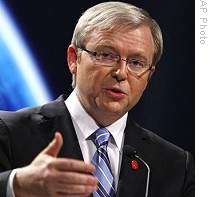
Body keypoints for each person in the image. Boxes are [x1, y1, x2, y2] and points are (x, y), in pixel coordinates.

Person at [0, 1, 194, 197]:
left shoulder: (176, 167)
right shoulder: (9, 132)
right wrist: (16, 185)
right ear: (74, 59)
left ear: (149, 76)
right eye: (107, 55)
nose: (121, 73)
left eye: (136, 62)